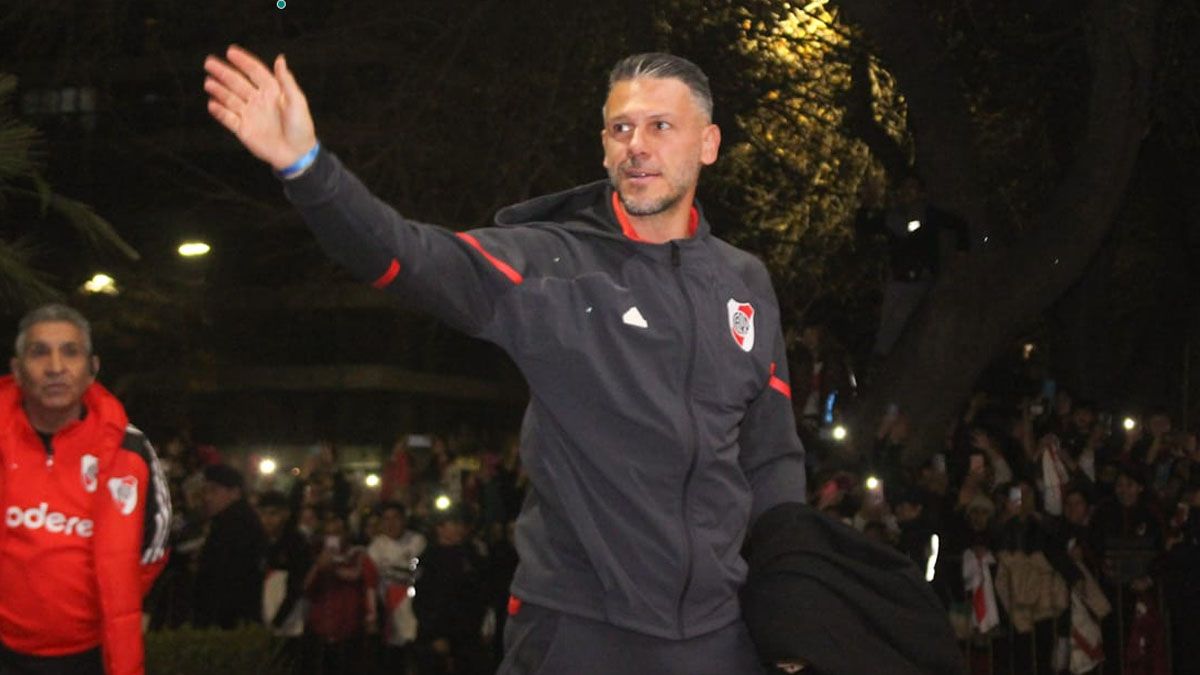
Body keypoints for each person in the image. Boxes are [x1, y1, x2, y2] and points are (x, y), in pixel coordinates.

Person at [203, 47, 808, 674]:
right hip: (580, 630)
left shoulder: (745, 284)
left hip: (720, 633)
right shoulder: (553, 265)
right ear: (603, 148)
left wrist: (788, 610)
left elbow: (772, 458)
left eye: (661, 126)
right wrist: (307, 168)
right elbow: (407, 257)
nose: (637, 145)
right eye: (621, 128)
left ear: (707, 143)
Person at [0, 304, 171, 675]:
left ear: (92, 368)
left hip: (91, 654)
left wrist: (106, 601)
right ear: (17, 370)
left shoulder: (130, 449)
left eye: (71, 352)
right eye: (40, 352)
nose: (56, 366)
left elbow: (153, 547)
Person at [193, 463, 266, 629]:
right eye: (205, 491)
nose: (207, 497)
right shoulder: (226, 521)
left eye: (214, 490)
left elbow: (225, 576)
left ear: (235, 493)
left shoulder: (236, 525)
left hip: (228, 618)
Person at [366, 502, 426, 672]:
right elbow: (371, 583)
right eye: (386, 519)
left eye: (396, 518)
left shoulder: (417, 541)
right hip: (388, 609)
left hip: (415, 608)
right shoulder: (376, 547)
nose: (391, 524)